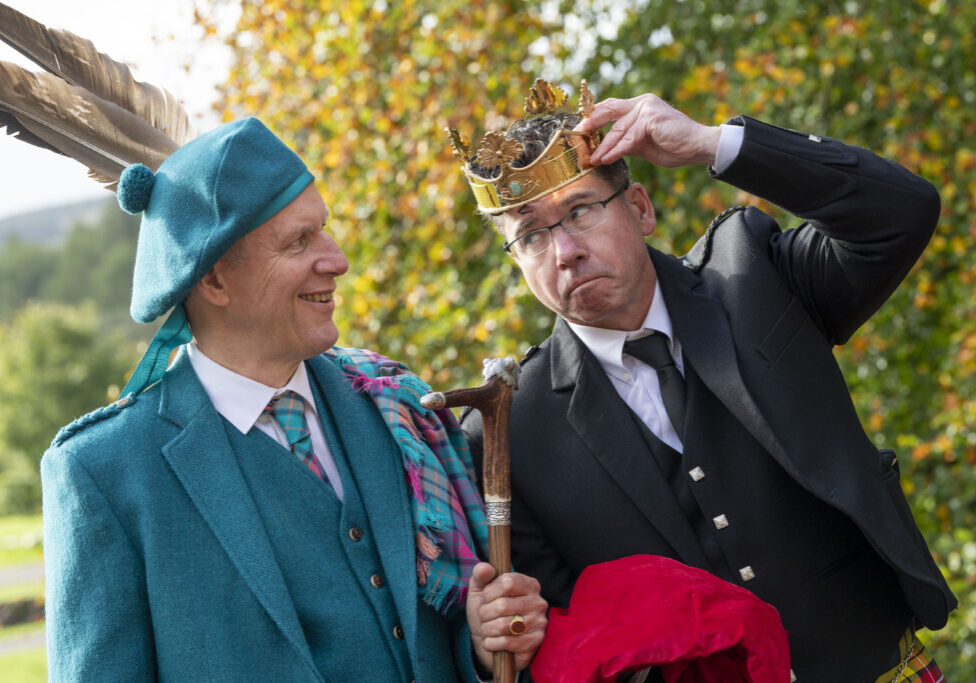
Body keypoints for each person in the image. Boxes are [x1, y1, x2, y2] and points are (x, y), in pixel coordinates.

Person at [455, 80, 955, 682]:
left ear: (640, 208)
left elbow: (900, 211)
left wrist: (712, 144)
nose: (563, 251)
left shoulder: (753, 275)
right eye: (531, 235)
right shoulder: (510, 431)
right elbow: (558, 645)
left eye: (580, 211)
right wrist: (493, 647)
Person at [42, 117, 546, 681]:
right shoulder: (104, 472)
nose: (337, 260)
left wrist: (481, 644)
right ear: (213, 281)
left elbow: (437, 637)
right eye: (299, 241)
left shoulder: (393, 407)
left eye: (323, 230)